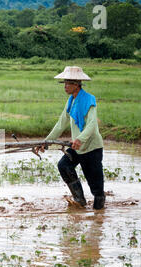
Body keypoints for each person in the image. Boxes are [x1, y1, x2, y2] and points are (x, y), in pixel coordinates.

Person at [35, 66, 105, 210]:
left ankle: (99, 215)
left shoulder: (89, 100)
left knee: (96, 186)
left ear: (77, 85)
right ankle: (79, 200)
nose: (65, 86)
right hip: (76, 147)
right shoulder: (71, 101)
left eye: (68, 83)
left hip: (91, 147)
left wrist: (80, 139)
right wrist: (46, 142)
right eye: (64, 83)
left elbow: (92, 124)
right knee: (64, 165)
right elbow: (61, 124)